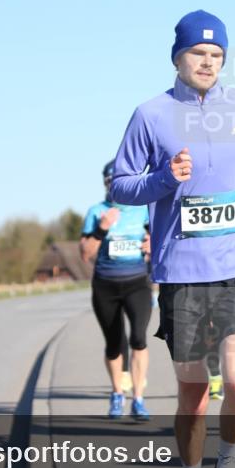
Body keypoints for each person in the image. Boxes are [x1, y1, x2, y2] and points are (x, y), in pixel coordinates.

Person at [110, 10, 235, 468]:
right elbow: (122, 185)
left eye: (217, 55)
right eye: (198, 54)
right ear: (178, 57)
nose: (208, 63)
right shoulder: (150, 115)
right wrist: (163, 178)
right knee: (194, 397)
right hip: (182, 274)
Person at [80, 159, 153, 420]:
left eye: (118, 180)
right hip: (105, 286)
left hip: (137, 284)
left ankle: (139, 399)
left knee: (139, 339)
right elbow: (85, 254)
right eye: (109, 182)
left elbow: (158, 238)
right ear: (105, 184)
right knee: (114, 344)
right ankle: (117, 394)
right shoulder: (96, 211)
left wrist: (152, 243)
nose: (114, 186)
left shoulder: (142, 209)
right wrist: (101, 229)